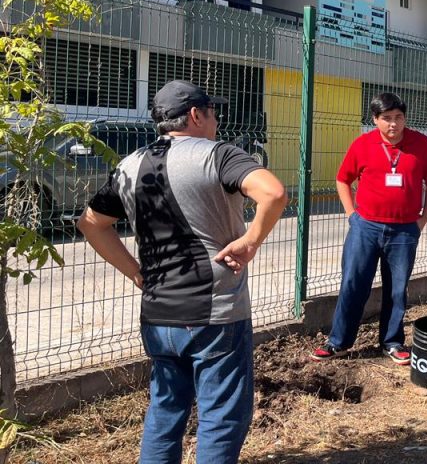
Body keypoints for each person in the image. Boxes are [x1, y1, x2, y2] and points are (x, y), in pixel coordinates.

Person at [78, 80, 287, 464]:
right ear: (195, 115)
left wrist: (134, 271)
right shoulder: (219, 155)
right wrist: (251, 240)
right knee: (221, 418)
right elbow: (273, 193)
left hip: (158, 314)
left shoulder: (129, 165)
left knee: (165, 411)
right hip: (214, 315)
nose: (217, 121)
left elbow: (90, 223)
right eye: (213, 112)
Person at [310, 92, 427, 365]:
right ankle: (338, 342)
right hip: (365, 228)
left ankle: (392, 342)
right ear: (375, 119)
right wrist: (352, 215)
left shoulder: (421, 145)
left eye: (399, 118)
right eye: (387, 118)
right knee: (353, 284)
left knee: (397, 289)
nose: (393, 124)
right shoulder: (363, 144)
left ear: (405, 118)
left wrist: (422, 220)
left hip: (404, 231)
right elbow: (342, 179)